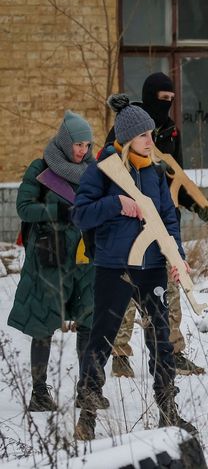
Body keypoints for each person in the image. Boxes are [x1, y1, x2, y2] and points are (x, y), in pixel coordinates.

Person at [72, 94, 196, 440]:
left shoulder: (155, 172)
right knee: (102, 338)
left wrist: (177, 256)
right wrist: (116, 203)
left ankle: (168, 409)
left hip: (154, 264)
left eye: (151, 135)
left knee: (161, 338)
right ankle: (88, 415)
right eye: (144, 136)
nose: (150, 141)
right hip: (115, 266)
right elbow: (80, 214)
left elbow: (169, 219)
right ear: (127, 138)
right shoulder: (103, 170)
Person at [105, 72, 208, 378]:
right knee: (127, 291)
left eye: (172, 100)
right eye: (162, 100)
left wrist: (196, 205)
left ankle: (172, 351)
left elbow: (177, 178)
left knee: (169, 289)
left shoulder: (171, 131)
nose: (167, 105)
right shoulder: (126, 127)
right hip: (131, 224)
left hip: (164, 222)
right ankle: (120, 354)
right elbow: (109, 174)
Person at [8, 111, 97, 412]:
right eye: (78, 144)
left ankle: (87, 388)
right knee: (44, 323)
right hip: (50, 255)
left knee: (88, 318)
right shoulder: (41, 168)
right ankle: (39, 392)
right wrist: (56, 213)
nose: (83, 151)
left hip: (85, 256)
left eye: (87, 144)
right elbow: (23, 207)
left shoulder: (94, 171)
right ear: (64, 141)